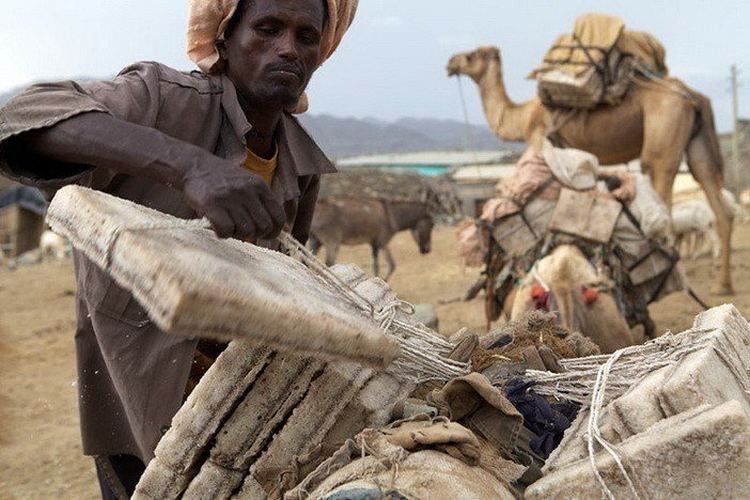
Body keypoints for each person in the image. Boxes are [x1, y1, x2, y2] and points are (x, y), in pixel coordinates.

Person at [0, 0, 358, 497]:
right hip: (140, 393)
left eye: (305, 37)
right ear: (225, 39)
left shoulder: (300, 163)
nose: (287, 49)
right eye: (268, 28)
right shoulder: (165, 100)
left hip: (237, 411)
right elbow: (24, 114)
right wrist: (189, 167)